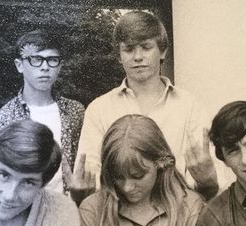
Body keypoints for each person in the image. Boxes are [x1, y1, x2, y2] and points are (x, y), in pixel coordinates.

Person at [75, 10, 224, 202]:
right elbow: (91, 177)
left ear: (162, 51)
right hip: (118, 220)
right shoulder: (99, 109)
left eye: (146, 47)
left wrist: (208, 180)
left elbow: (208, 176)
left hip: (177, 217)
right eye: (129, 49)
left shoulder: (190, 106)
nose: (137, 57)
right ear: (119, 55)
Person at [80, 114, 205, 226]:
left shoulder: (189, 205)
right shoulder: (93, 210)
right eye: (118, 177)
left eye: (138, 176)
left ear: (161, 163)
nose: (127, 187)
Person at [0, 29, 85, 195]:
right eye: (36, 59)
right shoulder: (3, 117)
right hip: (22, 211)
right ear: (19, 65)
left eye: (52, 60)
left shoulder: (75, 112)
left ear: (60, 66)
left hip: (66, 210)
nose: (45, 67)